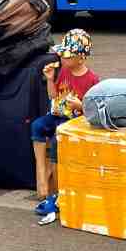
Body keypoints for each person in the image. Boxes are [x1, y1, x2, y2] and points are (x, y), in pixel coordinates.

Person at [30, 29, 98, 210]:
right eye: (61, 55)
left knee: (56, 140)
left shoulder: (91, 80)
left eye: (66, 56)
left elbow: (94, 110)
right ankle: (42, 176)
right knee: (37, 126)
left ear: (81, 58)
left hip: (73, 122)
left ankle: (57, 191)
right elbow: (53, 96)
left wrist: (80, 106)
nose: (61, 59)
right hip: (57, 116)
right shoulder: (63, 72)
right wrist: (51, 80)